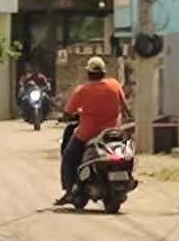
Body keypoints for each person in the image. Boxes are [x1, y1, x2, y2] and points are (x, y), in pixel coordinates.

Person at [55, 56, 129, 206]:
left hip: (88, 134)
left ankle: (70, 190)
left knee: (69, 158)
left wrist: (64, 116)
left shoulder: (82, 91)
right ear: (104, 72)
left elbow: (68, 113)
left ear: (88, 74)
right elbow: (126, 108)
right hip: (113, 134)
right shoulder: (115, 85)